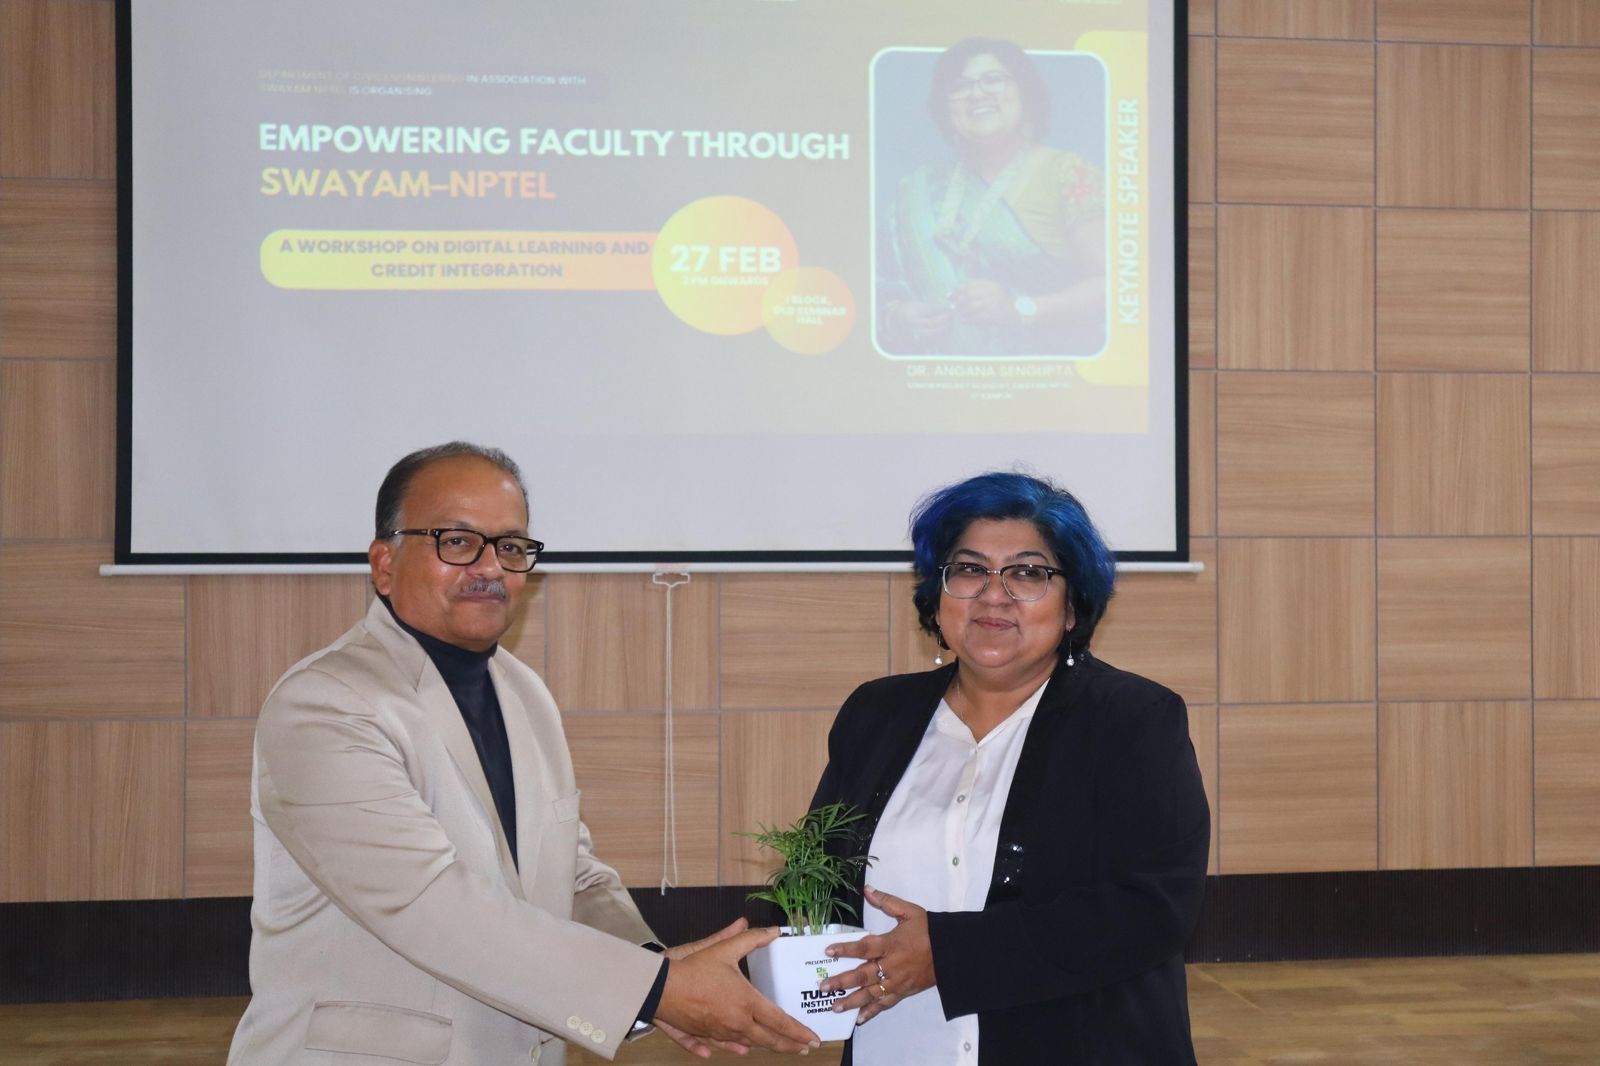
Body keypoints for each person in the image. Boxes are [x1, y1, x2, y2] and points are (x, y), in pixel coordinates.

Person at [227, 442, 819, 1065]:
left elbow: (571, 874)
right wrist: (656, 991)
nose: (490, 567)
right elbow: (427, 903)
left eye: (510, 547)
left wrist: (651, 966)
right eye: (457, 541)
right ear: (384, 563)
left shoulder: (523, 692)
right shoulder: (326, 703)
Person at [808, 471, 1209, 1064]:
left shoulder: (1133, 719)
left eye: (1028, 573)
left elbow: (1154, 909)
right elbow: (816, 876)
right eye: (969, 570)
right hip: (896, 1043)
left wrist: (947, 955)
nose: (993, 595)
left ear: (1071, 606)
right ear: (938, 595)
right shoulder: (876, 714)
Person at [877, 38, 1107, 357]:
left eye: (993, 79)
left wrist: (1020, 308)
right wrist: (896, 317)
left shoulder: (1070, 173)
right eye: (960, 86)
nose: (977, 94)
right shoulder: (917, 190)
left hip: (1045, 379)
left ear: (1024, 93)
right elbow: (879, 287)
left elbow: (1115, 288)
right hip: (935, 382)